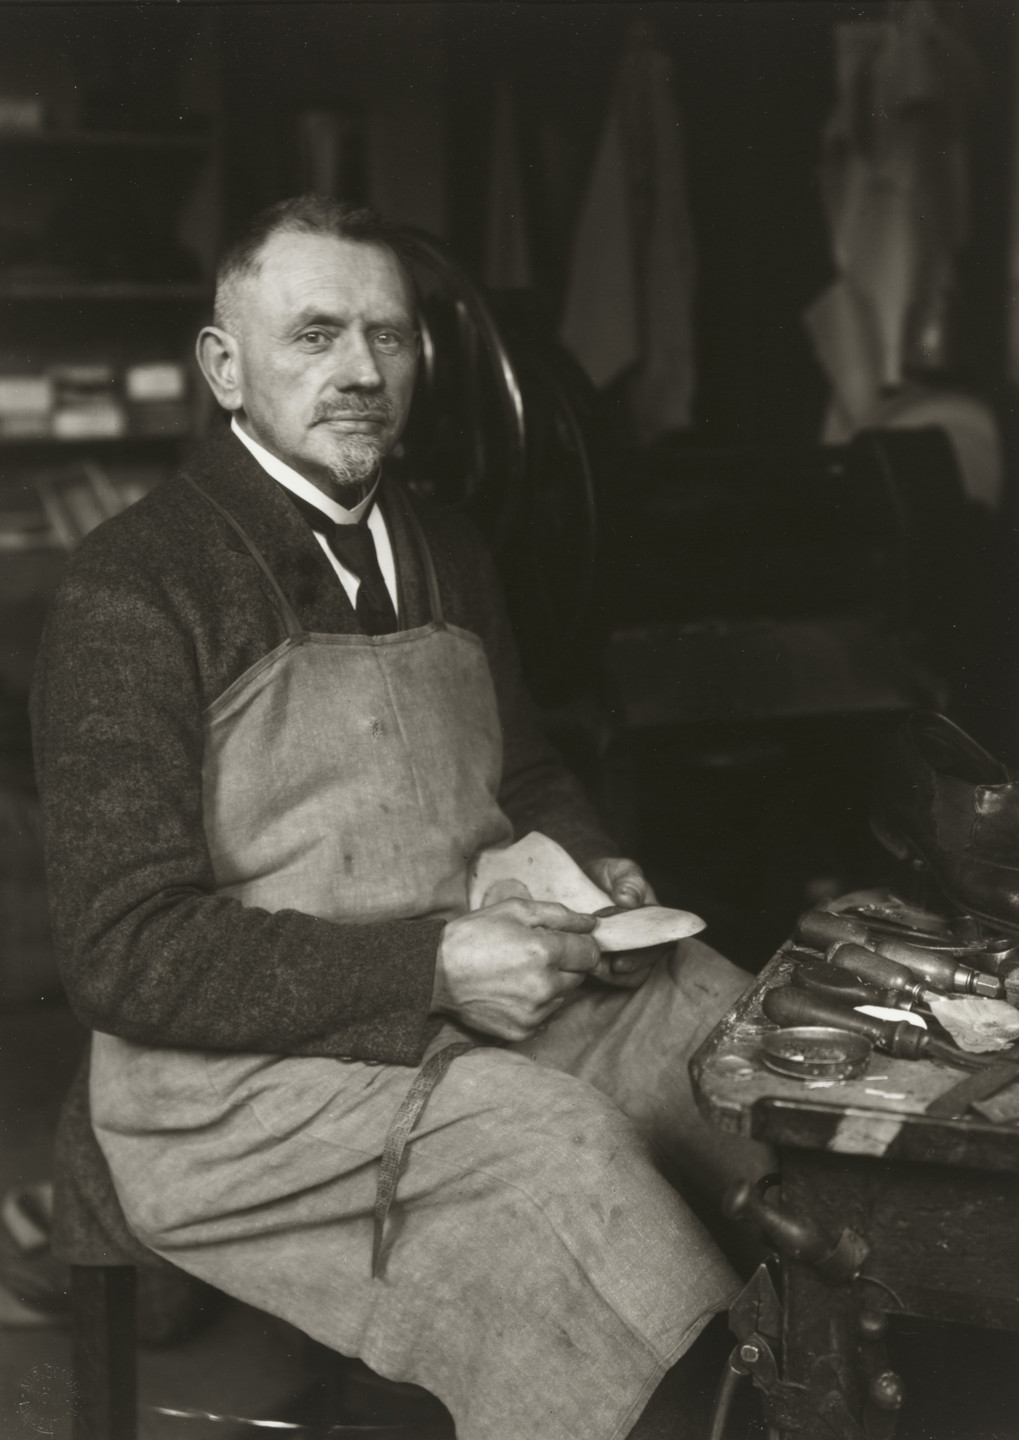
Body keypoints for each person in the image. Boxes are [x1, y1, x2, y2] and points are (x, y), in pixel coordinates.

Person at [31, 196, 770, 1440]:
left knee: (721, 1037)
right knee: (553, 1158)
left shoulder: (449, 548)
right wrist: (430, 966)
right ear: (225, 367)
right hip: (238, 1086)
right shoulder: (133, 587)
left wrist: (593, 871)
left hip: (469, 999)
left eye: (391, 337)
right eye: (314, 334)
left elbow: (519, 773)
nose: (361, 371)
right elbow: (123, 953)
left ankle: (803, 1384)